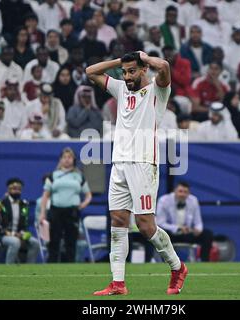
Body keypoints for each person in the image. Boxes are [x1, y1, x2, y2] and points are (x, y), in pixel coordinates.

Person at [86, 51, 188, 296]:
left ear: (144, 69)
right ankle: (118, 283)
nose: (128, 76)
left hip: (144, 163)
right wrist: (119, 62)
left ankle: (177, 267)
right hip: (119, 163)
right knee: (118, 223)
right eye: (125, 72)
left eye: (133, 71)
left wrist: (144, 56)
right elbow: (91, 71)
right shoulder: (121, 89)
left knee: (145, 226)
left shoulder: (157, 90)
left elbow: (163, 66)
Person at [39, 148, 92, 262]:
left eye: (69, 157)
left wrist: (83, 204)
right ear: (60, 160)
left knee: (71, 240)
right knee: (54, 240)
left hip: (72, 211)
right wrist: (42, 213)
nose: (67, 160)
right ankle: (51, 264)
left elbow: (88, 195)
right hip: (55, 210)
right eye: (64, 157)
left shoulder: (79, 176)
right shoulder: (53, 175)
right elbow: (45, 195)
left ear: (73, 159)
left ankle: (70, 265)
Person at [157, 181, 213, 262]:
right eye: (180, 191)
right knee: (161, 235)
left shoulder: (193, 200)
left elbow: (198, 222)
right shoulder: (164, 200)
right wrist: (178, 228)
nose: (182, 194)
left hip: (187, 233)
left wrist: (197, 230)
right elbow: (160, 222)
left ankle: (204, 261)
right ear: (174, 191)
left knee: (207, 234)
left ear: (188, 193)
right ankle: (165, 262)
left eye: (185, 192)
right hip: (170, 234)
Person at [0, 178, 40, 264]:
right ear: (9, 189)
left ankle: (30, 268)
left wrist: (22, 233)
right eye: (14, 189)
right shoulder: (0, 204)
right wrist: (13, 234)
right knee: (15, 242)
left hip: (19, 234)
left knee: (35, 243)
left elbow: (24, 223)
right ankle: (9, 268)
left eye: (19, 189)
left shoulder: (24, 204)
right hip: (2, 235)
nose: (17, 191)